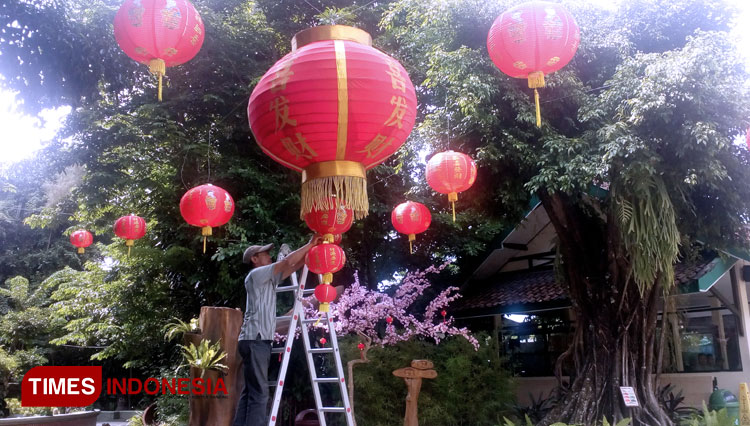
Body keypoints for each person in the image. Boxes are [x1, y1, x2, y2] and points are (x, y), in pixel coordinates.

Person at [233, 236, 320, 426]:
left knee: (250, 391)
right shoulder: (256, 275)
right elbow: (286, 262)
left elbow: (292, 267)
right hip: (256, 339)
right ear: (255, 259)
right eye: (265, 254)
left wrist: (313, 254)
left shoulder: (268, 279)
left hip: (253, 339)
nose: (269, 257)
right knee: (260, 393)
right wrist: (310, 243)